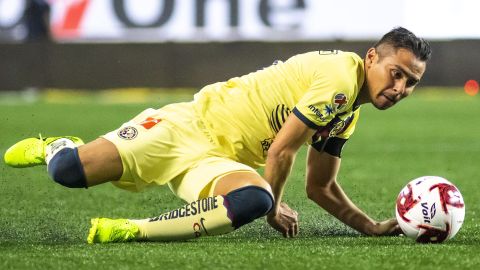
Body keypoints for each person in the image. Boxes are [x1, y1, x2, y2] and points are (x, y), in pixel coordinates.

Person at [4, 27, 431, 243]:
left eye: (410, 83)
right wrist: (275, 211)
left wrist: (370, 226)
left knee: (253, 198)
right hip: (186, 127)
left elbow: (320, 187)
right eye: (396, 74)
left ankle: (131, 230)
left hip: (218, 163)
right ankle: (54, 146)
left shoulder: (347, 114)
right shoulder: (340, 76)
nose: (399, 89)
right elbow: (282, 152)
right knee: (68, 172)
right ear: (372, 57)